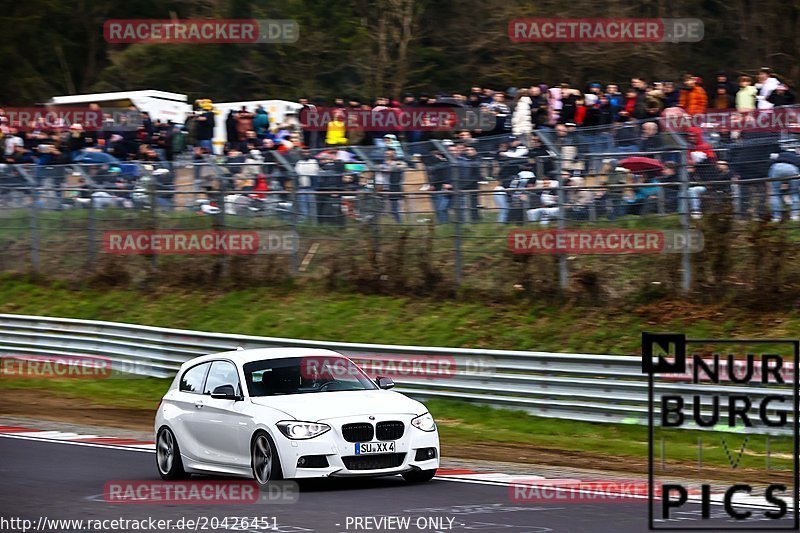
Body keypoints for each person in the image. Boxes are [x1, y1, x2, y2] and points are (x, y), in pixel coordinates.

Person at [768, 150, 800, 222]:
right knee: (794, 193)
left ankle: (776, 217)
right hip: (792, 168)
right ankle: (794, 216)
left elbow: (770, 163)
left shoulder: (779, 155)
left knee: (776, 193)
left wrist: (770, 177)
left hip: (777, 168)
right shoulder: (796, 156)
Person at [294, 150, 320, 223]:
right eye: (304, 152)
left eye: (308, 152)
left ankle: (313, 224)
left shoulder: (313, 161)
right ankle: (304, 224)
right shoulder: (299, 162)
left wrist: (314, 187)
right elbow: (297, 173)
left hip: (311, 188)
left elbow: (313, 173)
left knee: (312, 208)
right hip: (301, 188)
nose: (306, 154)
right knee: (303, 208)